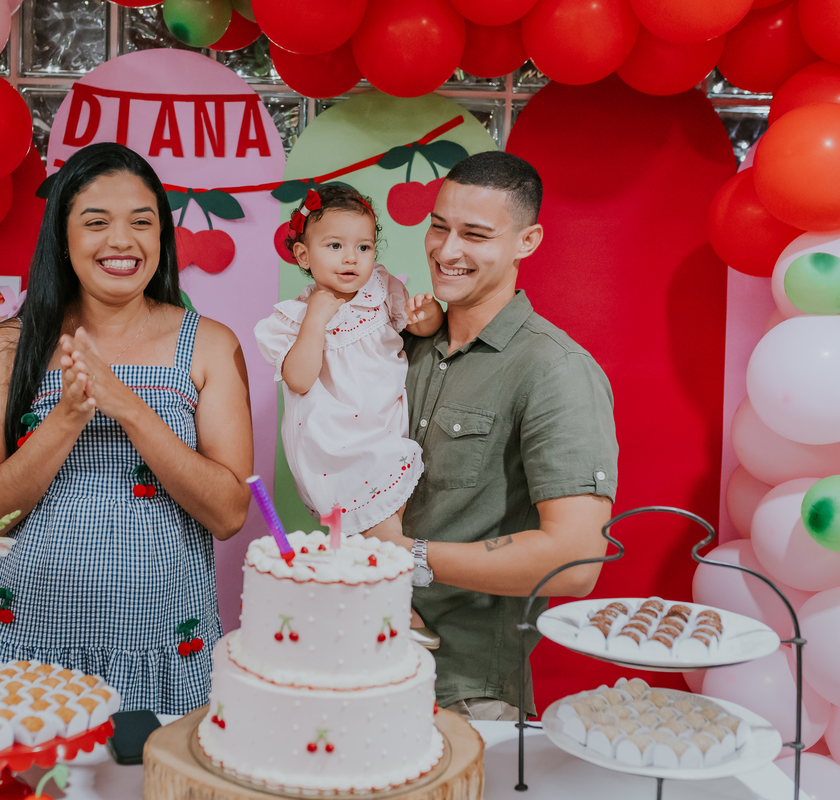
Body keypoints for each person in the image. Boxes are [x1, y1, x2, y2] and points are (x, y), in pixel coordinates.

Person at [0, 142, 254, 714]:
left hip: (166, 656)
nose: (122, 241)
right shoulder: (6, 349)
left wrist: (132, 410)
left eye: (142, 222)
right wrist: (66, 419)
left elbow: (228, 513)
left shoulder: (210, 344)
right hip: (26, 655)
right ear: (63, 241)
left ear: (161, 238)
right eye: (96, 223)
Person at [369, 151, 619, 721]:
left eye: (475, 235)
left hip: (465, 691)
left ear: (526, 243)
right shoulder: (401, 345)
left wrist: (409, 557)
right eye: (439, 226)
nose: (446, 250)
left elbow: (577, 560)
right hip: (361, 660)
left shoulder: (554, 369)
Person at [253, 184, 443, 542]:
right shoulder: (291, 320)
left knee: (385, 537)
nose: (351, 258)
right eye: (335, 246)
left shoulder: (381, 291)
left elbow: (420, 328)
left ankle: (391, 590)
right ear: (304, 255)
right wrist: (315, 320)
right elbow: (299, 379)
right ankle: (394, 594)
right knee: (382, 543)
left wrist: (428, 314)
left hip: (385, 432)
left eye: (363, 247)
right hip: (336, 447)